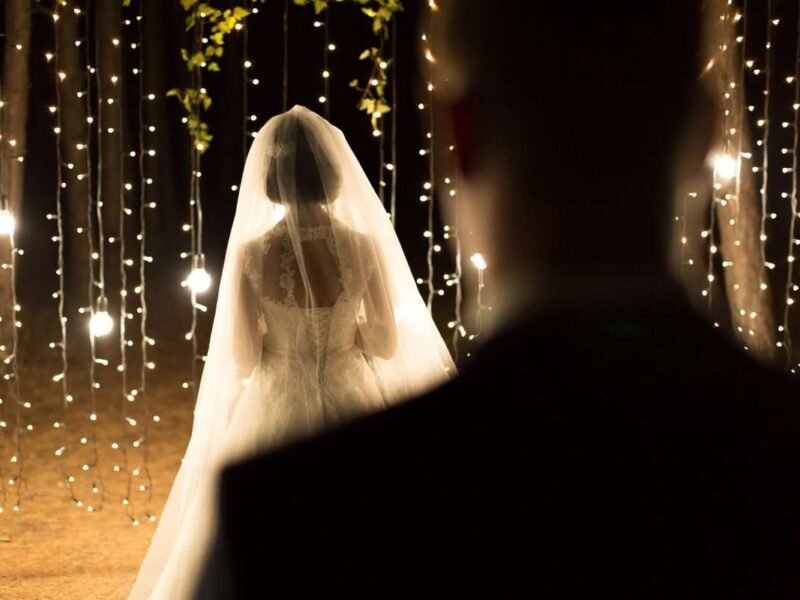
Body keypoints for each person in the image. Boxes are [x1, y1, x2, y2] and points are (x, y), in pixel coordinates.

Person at [195, 2, 800, 598]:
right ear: (707, 131)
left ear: (461, 132)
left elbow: (246, 360)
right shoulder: (779, 455)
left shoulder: (275, 511)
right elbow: (380, 339)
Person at [128, 106, 455, 599]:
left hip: (277, 398)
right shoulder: (364, 246)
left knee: (270, 535)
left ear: (271, 178)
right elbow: (387, 344)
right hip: (353, 398)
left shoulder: (251, 253)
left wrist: (285, 340)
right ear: (332, 175)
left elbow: (239, 356)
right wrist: (343, 337)